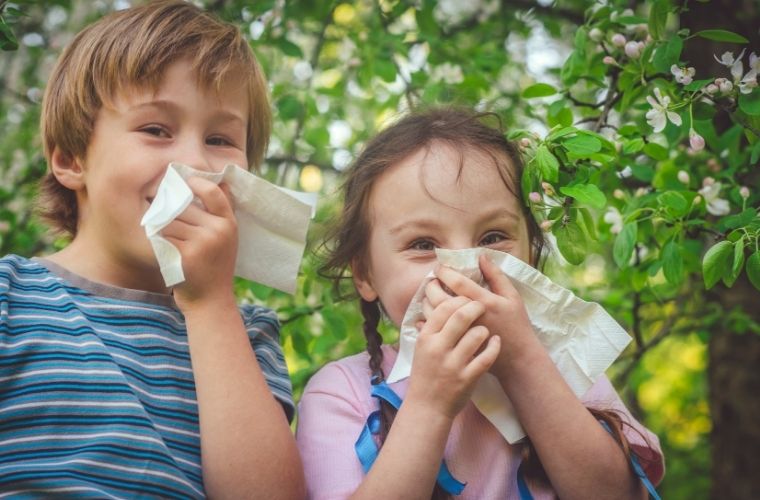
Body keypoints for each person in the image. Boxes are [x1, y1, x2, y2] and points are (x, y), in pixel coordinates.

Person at [0, 1, 304, 498]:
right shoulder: (10, 297)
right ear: (71, 158)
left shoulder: (247, 334)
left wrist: (210, 306)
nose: (193, 162)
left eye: (220, 139)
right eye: (156, 130)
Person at [296, 108, 664, 499]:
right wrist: (429, 405)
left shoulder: (565, 366)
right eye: (423, 245)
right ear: (365, 274)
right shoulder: (342, 392)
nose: (465, 269)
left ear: (531, 252)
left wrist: (523, 363)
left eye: (492, 238)